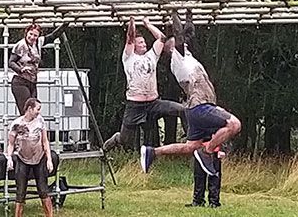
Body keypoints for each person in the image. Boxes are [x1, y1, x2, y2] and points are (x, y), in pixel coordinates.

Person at [140, 12, 242, 176]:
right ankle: (207, 152)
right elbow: (180, 35)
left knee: (191, 147)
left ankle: (153, 152)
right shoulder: (177, 57)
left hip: (194, 110)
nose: (185, 44)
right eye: (180, 43)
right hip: (200, 107)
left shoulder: (187, 56)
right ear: (172, 47)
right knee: (234, 125)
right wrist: (173, 13)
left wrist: (188, 15)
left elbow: (188, 33)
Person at [103, 17, 185, 151]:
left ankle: (192, 141)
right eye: (140, 42)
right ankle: (114, 140)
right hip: (135, 106)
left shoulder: (151, 56)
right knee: (124, 139)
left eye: (144, 42)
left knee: (182, 110)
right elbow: (129, 38)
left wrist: (148, 24)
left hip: (153, 103)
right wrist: (132, 23)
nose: (144, 44)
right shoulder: (128, 57)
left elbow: (162, 39)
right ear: (134, 46)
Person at [6, 98, 53, 217]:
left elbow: (45, 141)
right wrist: (10, 158)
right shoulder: (17, 124)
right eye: (37, 109)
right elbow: (11, 144)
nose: (39, 112)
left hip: (39, 158)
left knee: (43, 190)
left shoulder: (40, 121)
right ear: (29, 109)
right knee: (20, 192)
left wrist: (49, 159)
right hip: (23, 159)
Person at [8, 22, 69, 114]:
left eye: (35, 35)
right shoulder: (21, 45)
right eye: (31, 34)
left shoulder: (38, 42)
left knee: (35, 108)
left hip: (32, 81)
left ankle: (34, 127)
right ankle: (24, 127)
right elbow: (11, 62)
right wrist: (21, 69)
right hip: (20, 81)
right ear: (26, 33)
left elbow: (52, 36)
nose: (32, 37)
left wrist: (65, 25)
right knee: (27, 110)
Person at [186, 140, 224, 208]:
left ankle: (214, 202)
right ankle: (198, 201)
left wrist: (222, 149)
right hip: (200, 151)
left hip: (214, 151)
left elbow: (225, 134)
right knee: (198, 177)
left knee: (214, 177)